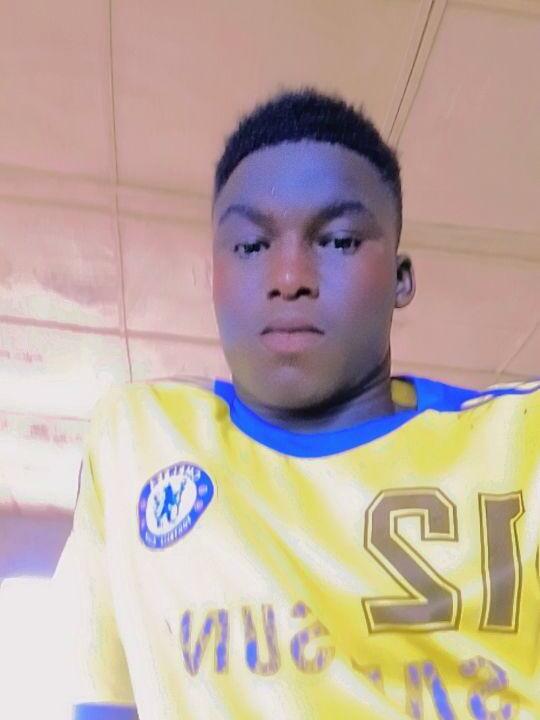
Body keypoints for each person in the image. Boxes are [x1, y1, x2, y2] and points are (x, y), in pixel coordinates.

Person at [57, 88, 540, 720]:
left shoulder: (521, 444)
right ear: (214, 278)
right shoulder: (137, 440)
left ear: (400, 280)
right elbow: (105, 702)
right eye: (251, 247)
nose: (289, 279)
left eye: (338, 240)